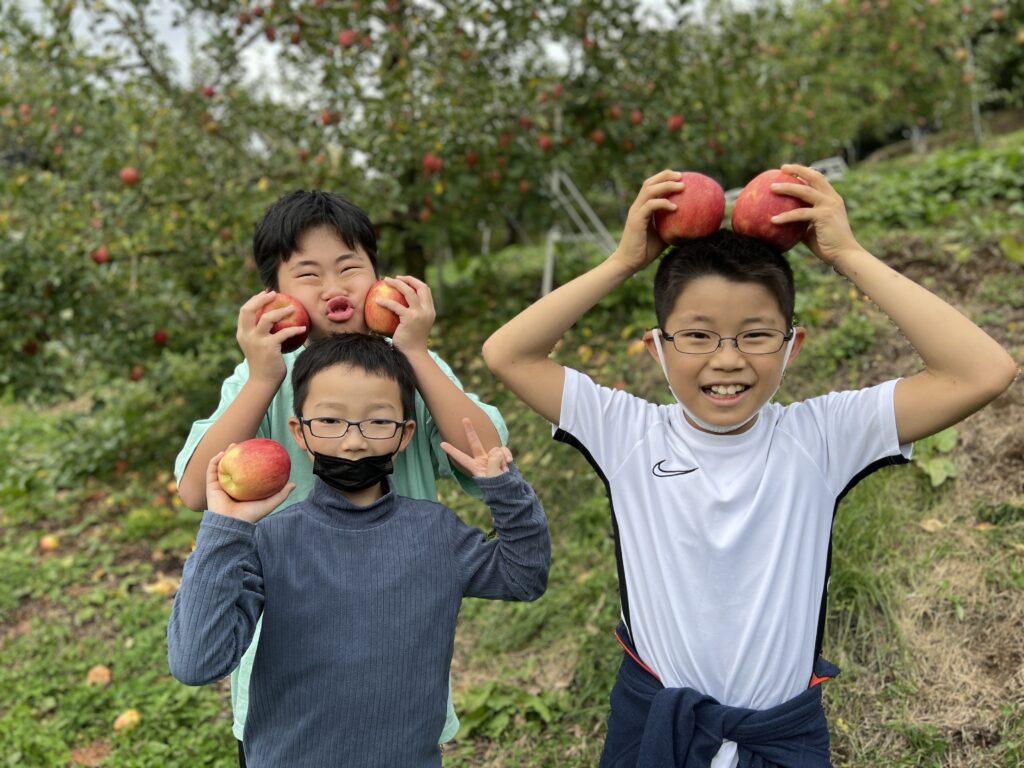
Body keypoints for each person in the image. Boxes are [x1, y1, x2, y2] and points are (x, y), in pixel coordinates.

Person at [482, 167, 1018, 767]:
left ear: (792, 346)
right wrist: (623, 261)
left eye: (756, 335)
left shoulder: (822, 438)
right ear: (656, 347)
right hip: (657, 731)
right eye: (698, 335)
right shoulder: (626, 433)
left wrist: (849, 255)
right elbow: (508, 353)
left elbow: (981, 372)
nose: (728, 359)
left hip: (779, 739)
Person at [173, 190, 508, 762]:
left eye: (350, 267)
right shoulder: (265, 379)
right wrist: (261, 378)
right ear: (273, 294)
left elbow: (488, 455)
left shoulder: (408, 371)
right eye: (308, 274)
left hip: (397, 676)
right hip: (287, 687)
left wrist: (418, 353)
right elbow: (194, 489)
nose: (334, 287)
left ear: (379, 274)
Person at [168, 333, 550, 767]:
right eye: (329, 421)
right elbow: (196, 662)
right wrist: (224, 528)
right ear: (299, 433)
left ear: (405, 435)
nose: (354, 442)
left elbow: (524, 576)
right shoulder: (268, 541)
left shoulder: (436, 533)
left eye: (378, 422)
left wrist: (504, 489)